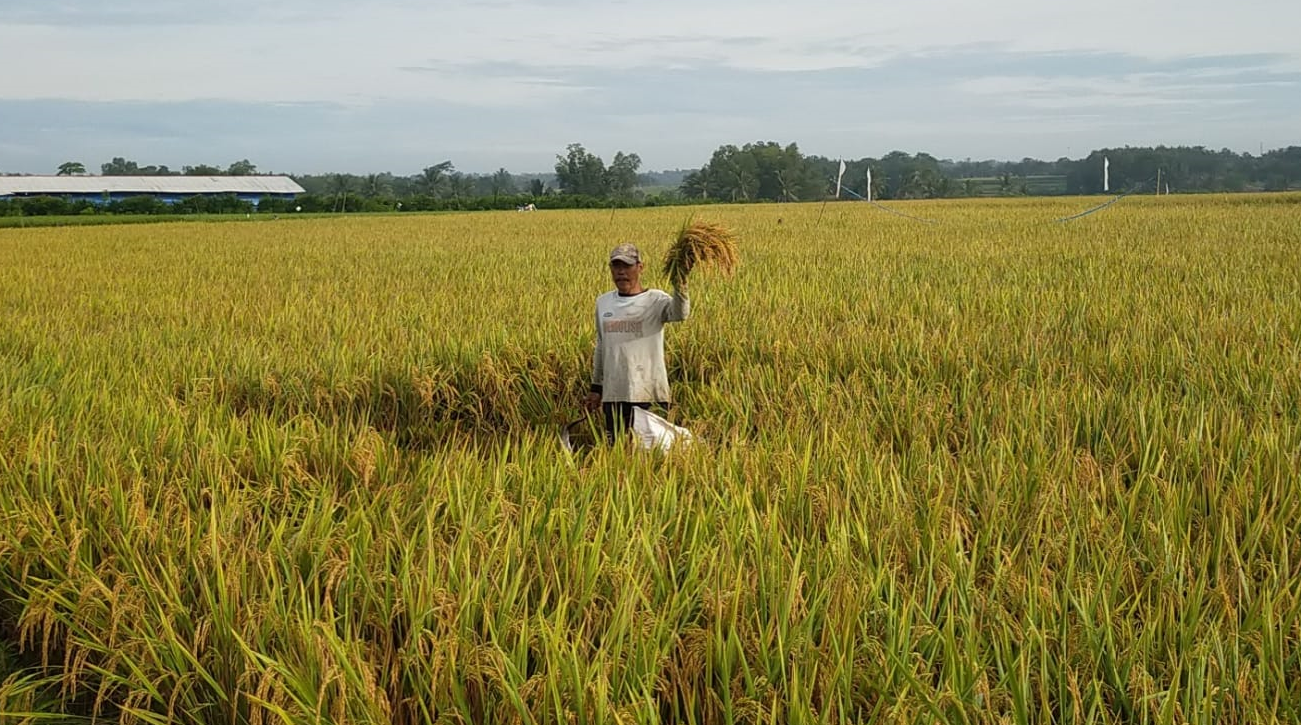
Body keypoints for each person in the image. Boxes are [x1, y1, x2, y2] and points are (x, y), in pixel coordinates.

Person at [581, 243, 690, 443]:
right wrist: (596, 388)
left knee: (653, 453)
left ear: (640, 267)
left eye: (627, 266)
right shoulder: (603, 302)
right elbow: (602, 346)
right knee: (617, 451)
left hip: (650, 394)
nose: (621, 272)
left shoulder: (656, 300)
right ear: (610, 269)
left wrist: (680, 282)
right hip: (614, 395)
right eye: (616, 266)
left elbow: (680, 314)